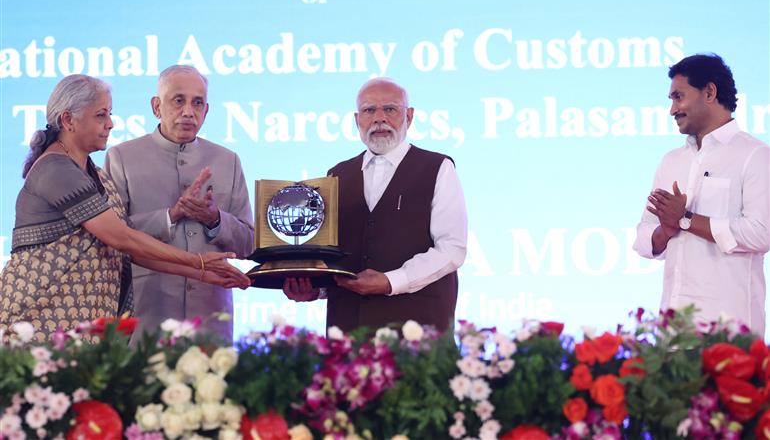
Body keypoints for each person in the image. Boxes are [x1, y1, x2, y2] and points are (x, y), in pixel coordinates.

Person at [0, 75, 250, 343]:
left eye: (109, 114)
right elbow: (124, 238)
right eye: (100, 115)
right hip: (43, 319)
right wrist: (196, 261)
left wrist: (204, 273)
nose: (110, 123)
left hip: (81, 324)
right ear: (68, 120)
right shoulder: (56, 169)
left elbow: (124, 250)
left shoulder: (93, 172)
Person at [283, 78, 467, 332]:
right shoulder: (336, 175)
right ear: (357, 120)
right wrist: (315, 288)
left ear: (409, 116)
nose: (379, 118)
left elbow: (451, 248)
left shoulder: (438, 167)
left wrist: (391, 281)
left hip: (417, 333)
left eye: (390, 109)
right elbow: (335, 258)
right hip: (348, 330)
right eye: (370, 110)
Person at [105, 65, 254, 342]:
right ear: (156, 106)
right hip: (146, 318)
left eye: (197, 103)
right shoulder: (122, 157)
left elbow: (248, 244)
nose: (188, 111)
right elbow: (112, 237)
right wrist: (171, 215)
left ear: (206, 111)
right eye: (178, 100)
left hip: (210, 321)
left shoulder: (227, 160)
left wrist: (215, 220)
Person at [633, 54, 770, 335]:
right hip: (674, 330)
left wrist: (685, 219)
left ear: (709, 92)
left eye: (678, 97)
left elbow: (761, 233)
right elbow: (645, 237)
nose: (672, 109)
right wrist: (666, 229)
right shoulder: (671, 161)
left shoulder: (755, 156)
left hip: (730, 332)